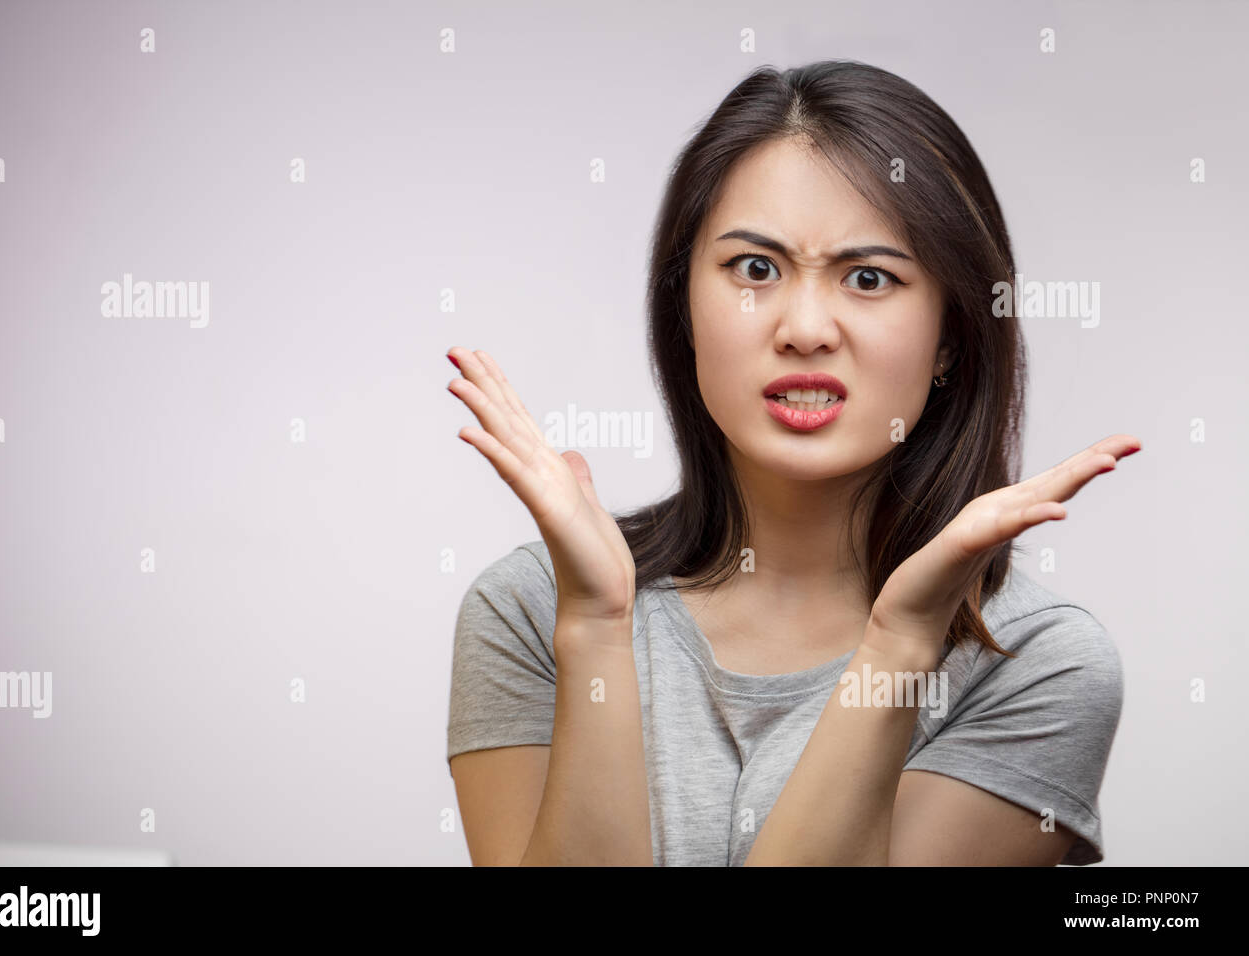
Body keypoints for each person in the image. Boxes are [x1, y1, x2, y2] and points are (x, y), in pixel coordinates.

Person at [443, 59, 1141, 866]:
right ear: (685, 308)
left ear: (951, 334)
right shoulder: (532, 608)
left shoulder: (1040, 663)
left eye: (870, 277)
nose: (805, 328)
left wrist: (902, 645)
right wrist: (596, 631)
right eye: (756, 270)